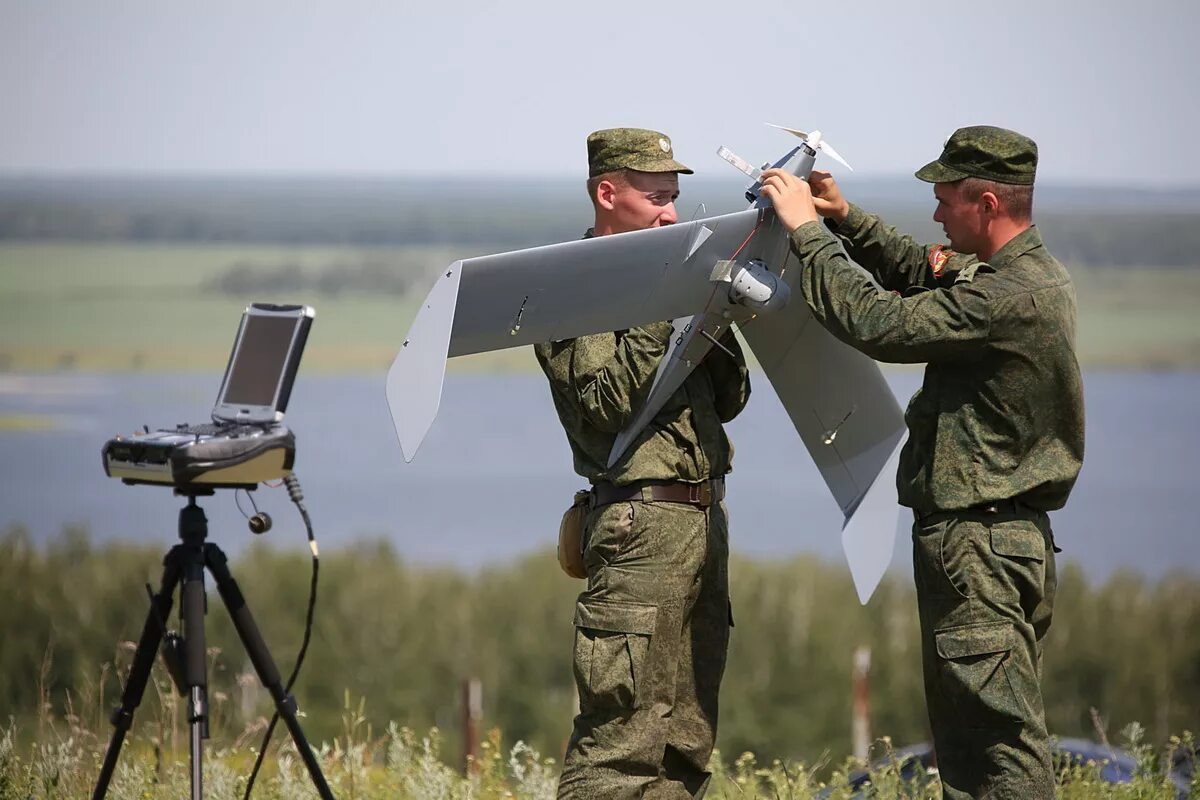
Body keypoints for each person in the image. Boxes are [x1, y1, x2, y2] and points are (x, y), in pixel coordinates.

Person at [759, 126, 1084, 800]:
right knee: (970, 752)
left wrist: (806, 234)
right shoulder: (1027, 277)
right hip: (998, 542)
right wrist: (845, 219)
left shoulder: (1003, 300)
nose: (936, 215)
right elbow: (921, 269)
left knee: (1000, 749)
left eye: (946, 201)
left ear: (988, 203)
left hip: (980, 549)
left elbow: (879, 322)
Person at [535, 127, 751, 799]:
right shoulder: (571, 288)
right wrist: (665, 307)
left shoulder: (670, 278)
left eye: (675, 199)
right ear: (608, 193)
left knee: (685, 745)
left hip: (699, 522)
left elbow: (731, 398)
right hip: (638, 527)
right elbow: (603, 404)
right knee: (619, 746)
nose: (671, 215)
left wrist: (713, 315)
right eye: (656, 198)